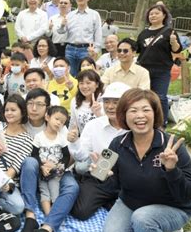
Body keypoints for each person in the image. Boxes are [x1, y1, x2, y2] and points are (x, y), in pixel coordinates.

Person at [102, 89, 191, 232]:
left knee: (142, 219)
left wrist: (171, 169)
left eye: (146, 110)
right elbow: (102, 176)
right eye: (133, 110)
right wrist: (103, 175)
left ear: (155, 113)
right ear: (124, 115)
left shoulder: (172, 147)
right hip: (131, 201)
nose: (140, 116)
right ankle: (144, 231)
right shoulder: (116, 143)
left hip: (172, 207)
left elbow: (187, 194)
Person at [69, 82, 130, 221]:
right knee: (80, 211)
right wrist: (75, 143)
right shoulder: (94, 125)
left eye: (116, 102)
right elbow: (83, 155)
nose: (110, 106)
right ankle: (107, 200)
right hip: (100, 173)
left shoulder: (133, 128)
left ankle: (112, 201)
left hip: (127, 178)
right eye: (107, 101)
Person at [136, 4, 182, 125]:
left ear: (164, 15)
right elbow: (137, 50)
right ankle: (145, 120)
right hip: (144, 70)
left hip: (162, 70)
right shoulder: (143, 33)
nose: (153, 15)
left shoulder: (169, 32)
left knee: (160, 97)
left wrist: (174, 42)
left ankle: (162, 123)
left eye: (156, 13)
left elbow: (177, 50)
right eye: (151, 14)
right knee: (142, 96)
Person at [33, 106, 70, 216]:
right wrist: (42, 167)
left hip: (55, 172)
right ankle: (48, 215)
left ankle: (55, 215)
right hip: (43, 171)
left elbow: (66, 156)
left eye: (62, 122)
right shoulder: (39, 137)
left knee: (55, 192)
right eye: (57, 119)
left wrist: (56, 166)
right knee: (44, 192)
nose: (59, 123)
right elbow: (34, 154)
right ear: (47, 117)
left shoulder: (61, 138)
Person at [58, 0, 102, 76]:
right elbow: (61, 32)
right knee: (70, 75)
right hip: (70, 49)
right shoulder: (70, 15)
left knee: (85, 75)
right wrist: (62, 25)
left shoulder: (94, 15)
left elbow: (98, 33)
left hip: (86, 50)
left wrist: (96, 50)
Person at [69, 69, 104, 134]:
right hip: (84, 142)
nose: (84, 86)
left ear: (97, 84)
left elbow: (110, 127)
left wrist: (98, 113)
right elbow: (73, 124)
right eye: (81, 83)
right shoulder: (74, 101)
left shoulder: (104, 102)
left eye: (88, 83)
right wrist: (71, 136)